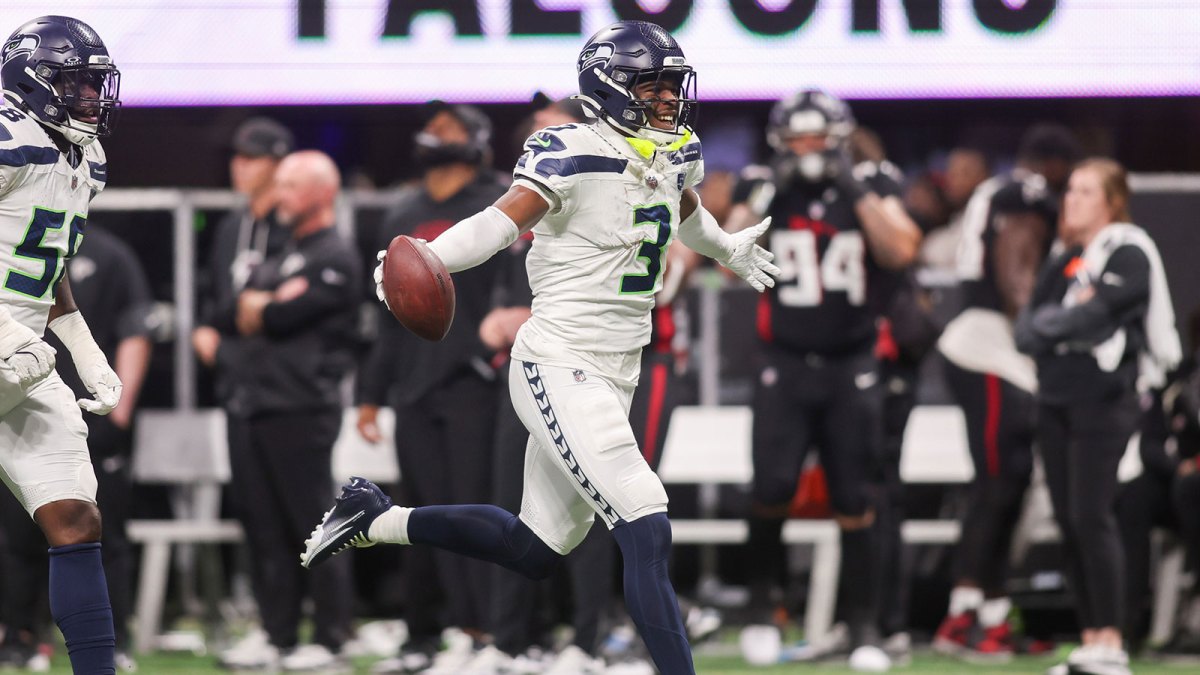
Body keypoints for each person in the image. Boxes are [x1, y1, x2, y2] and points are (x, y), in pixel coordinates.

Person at [302, 20, 779, 675]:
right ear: (610, 89)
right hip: (560, 361)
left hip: (618, 370)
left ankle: (374, 517)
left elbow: (683, 205)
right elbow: (501, 222)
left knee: (534, 545)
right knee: (647, 518)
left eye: (673, 86)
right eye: (654, 86)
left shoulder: (673, 151)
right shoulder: (570, 150)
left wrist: (725, 247)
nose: (670, 99)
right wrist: (430, 255)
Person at [726, 89, 921, 668]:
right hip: (784, 360)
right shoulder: (762, 182)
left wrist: (855, 190)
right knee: (771, 488)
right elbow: (726, 254)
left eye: (817, 138)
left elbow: (901, 249)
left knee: (855, 497)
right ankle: (764, 609)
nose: (808, 149)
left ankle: (862, 627)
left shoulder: (873, 180)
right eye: (798, 139)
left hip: (851, 361)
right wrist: (767, 193)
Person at [355, 103, 509, 675]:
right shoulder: (404, 209)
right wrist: (370, 393)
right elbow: (388, 313)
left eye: (449, 128)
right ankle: (422, 633)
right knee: (415, 513)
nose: (436, 136)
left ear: (475, 139)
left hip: (476, 380)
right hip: (415, 383)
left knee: (473, 510)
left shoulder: (499, 205)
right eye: (433, 127)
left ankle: (480, 629)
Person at [1016, 158, 1180, 675]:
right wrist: (1063, 320)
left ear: (1113, 199)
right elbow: (1026, 327)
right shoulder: (1065, 256)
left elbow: (1096, 313)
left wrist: (1060, 322)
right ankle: (1090, 637)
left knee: (1093, 515)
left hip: (1103, 401)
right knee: (1067, 520)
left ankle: (1112, 640)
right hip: (1055, 397)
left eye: (1086, 192)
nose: (1073, 200)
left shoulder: (1130, 250)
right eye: (1071, 191)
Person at [201, 150, 360, 671]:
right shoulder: (284, 253)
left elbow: (285, 314)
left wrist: (266, 307)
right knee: (263, 525)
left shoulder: (335, 254)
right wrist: (264, 306)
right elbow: (240, 309)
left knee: (313, 522)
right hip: (254, 405)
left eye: (290, 185)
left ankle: (333, 635)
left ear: (320, 192)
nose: (280, 194)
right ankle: (279, 632)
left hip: (302, 407)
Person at [933, 124, 1080, 660]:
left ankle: (989, 613)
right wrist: (1032, 330)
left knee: (1007, 484)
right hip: (992, 347)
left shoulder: (1001, 188)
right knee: (997, 486)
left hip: (993, 348)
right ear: (1055, 167)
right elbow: (1017, 257)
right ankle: (963, 617)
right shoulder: (1028, 192)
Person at [0, 223, 153, 671]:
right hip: (16, 358)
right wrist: (11, 338)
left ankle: (100, 661)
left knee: (79, 519)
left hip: (37, 383)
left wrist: (88, 356)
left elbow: (48, 265)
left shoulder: (79, 177)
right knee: (17, 538)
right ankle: (20, 636)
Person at [1117, 317, 1200, 654]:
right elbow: (1149, 446)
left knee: (1190, 489)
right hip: (1181, 483)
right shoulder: (1177, 380)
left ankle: (1190, 608)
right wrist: (1179, 466)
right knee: (1133, 497)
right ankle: (1126, 622)